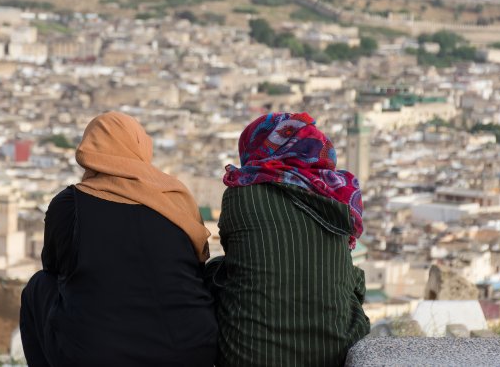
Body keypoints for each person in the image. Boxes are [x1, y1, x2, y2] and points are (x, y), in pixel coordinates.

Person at [20, 111, 217, 367]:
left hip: (95, 355)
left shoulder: (69, 205)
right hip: (191, 349)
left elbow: (53, 268)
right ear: (140, 146)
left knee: (39, 285)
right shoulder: (175, 198)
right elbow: (197, 266)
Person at [208, 112, 370, 367]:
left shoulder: (241, 194)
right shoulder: (340, 197)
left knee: (212, 273)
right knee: (352, 279)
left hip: (244, 356)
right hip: (333, 352)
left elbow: (238, 259)